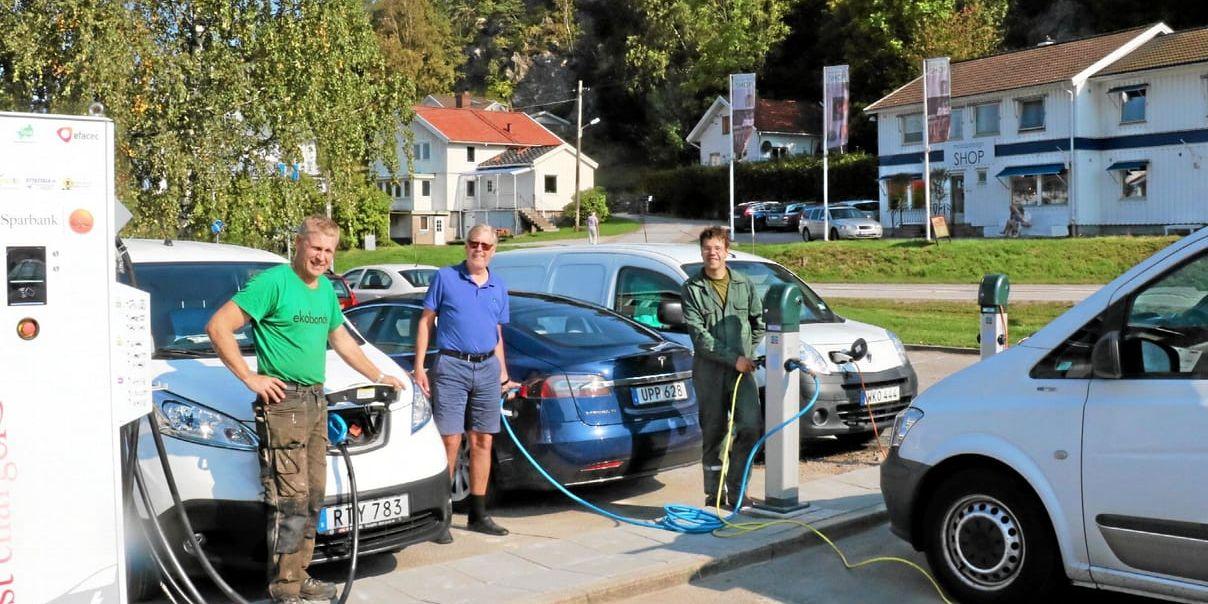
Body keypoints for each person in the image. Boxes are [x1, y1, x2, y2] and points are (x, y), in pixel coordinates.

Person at [206, 216, 406, 604]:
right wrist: (251, 377)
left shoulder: (325, 292)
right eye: (316, 248)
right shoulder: (273, 283)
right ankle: (283, 589)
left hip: (316, 400)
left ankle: (299, 576)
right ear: (298, 244)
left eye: (329, 251)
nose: (322, 257)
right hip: (284, 405)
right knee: (289, 498)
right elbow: (218, 326)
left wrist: (379, 374)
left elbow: (344, 342)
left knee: (314, 496)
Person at [414, 224, 519, 541]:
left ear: (493, 251)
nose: (479, 249)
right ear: (466, 246)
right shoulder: (445, 278)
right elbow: (425, 321)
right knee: (450, 441)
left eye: (486, 246)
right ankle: (441, 517)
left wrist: (503, 372)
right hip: (451, 365)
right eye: (474, 243)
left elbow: (497, 333)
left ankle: (478, 512)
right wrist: (419, 366)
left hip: (486, 367)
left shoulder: (498, 286)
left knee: (483, 441)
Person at [680, 226, 765, 510]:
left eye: (717, 248)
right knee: (714, 433)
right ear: (701, 252)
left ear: (726, 251)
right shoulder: (692, 289)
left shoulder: (744, 284)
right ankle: (714, 495)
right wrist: (735, 358)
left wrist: (747, 354)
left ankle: (738, 492)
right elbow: (700, 338)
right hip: (709, 373)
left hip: (741, 372)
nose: (712, 253)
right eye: (707, 248)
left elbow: (758, 324)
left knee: (751, 427)